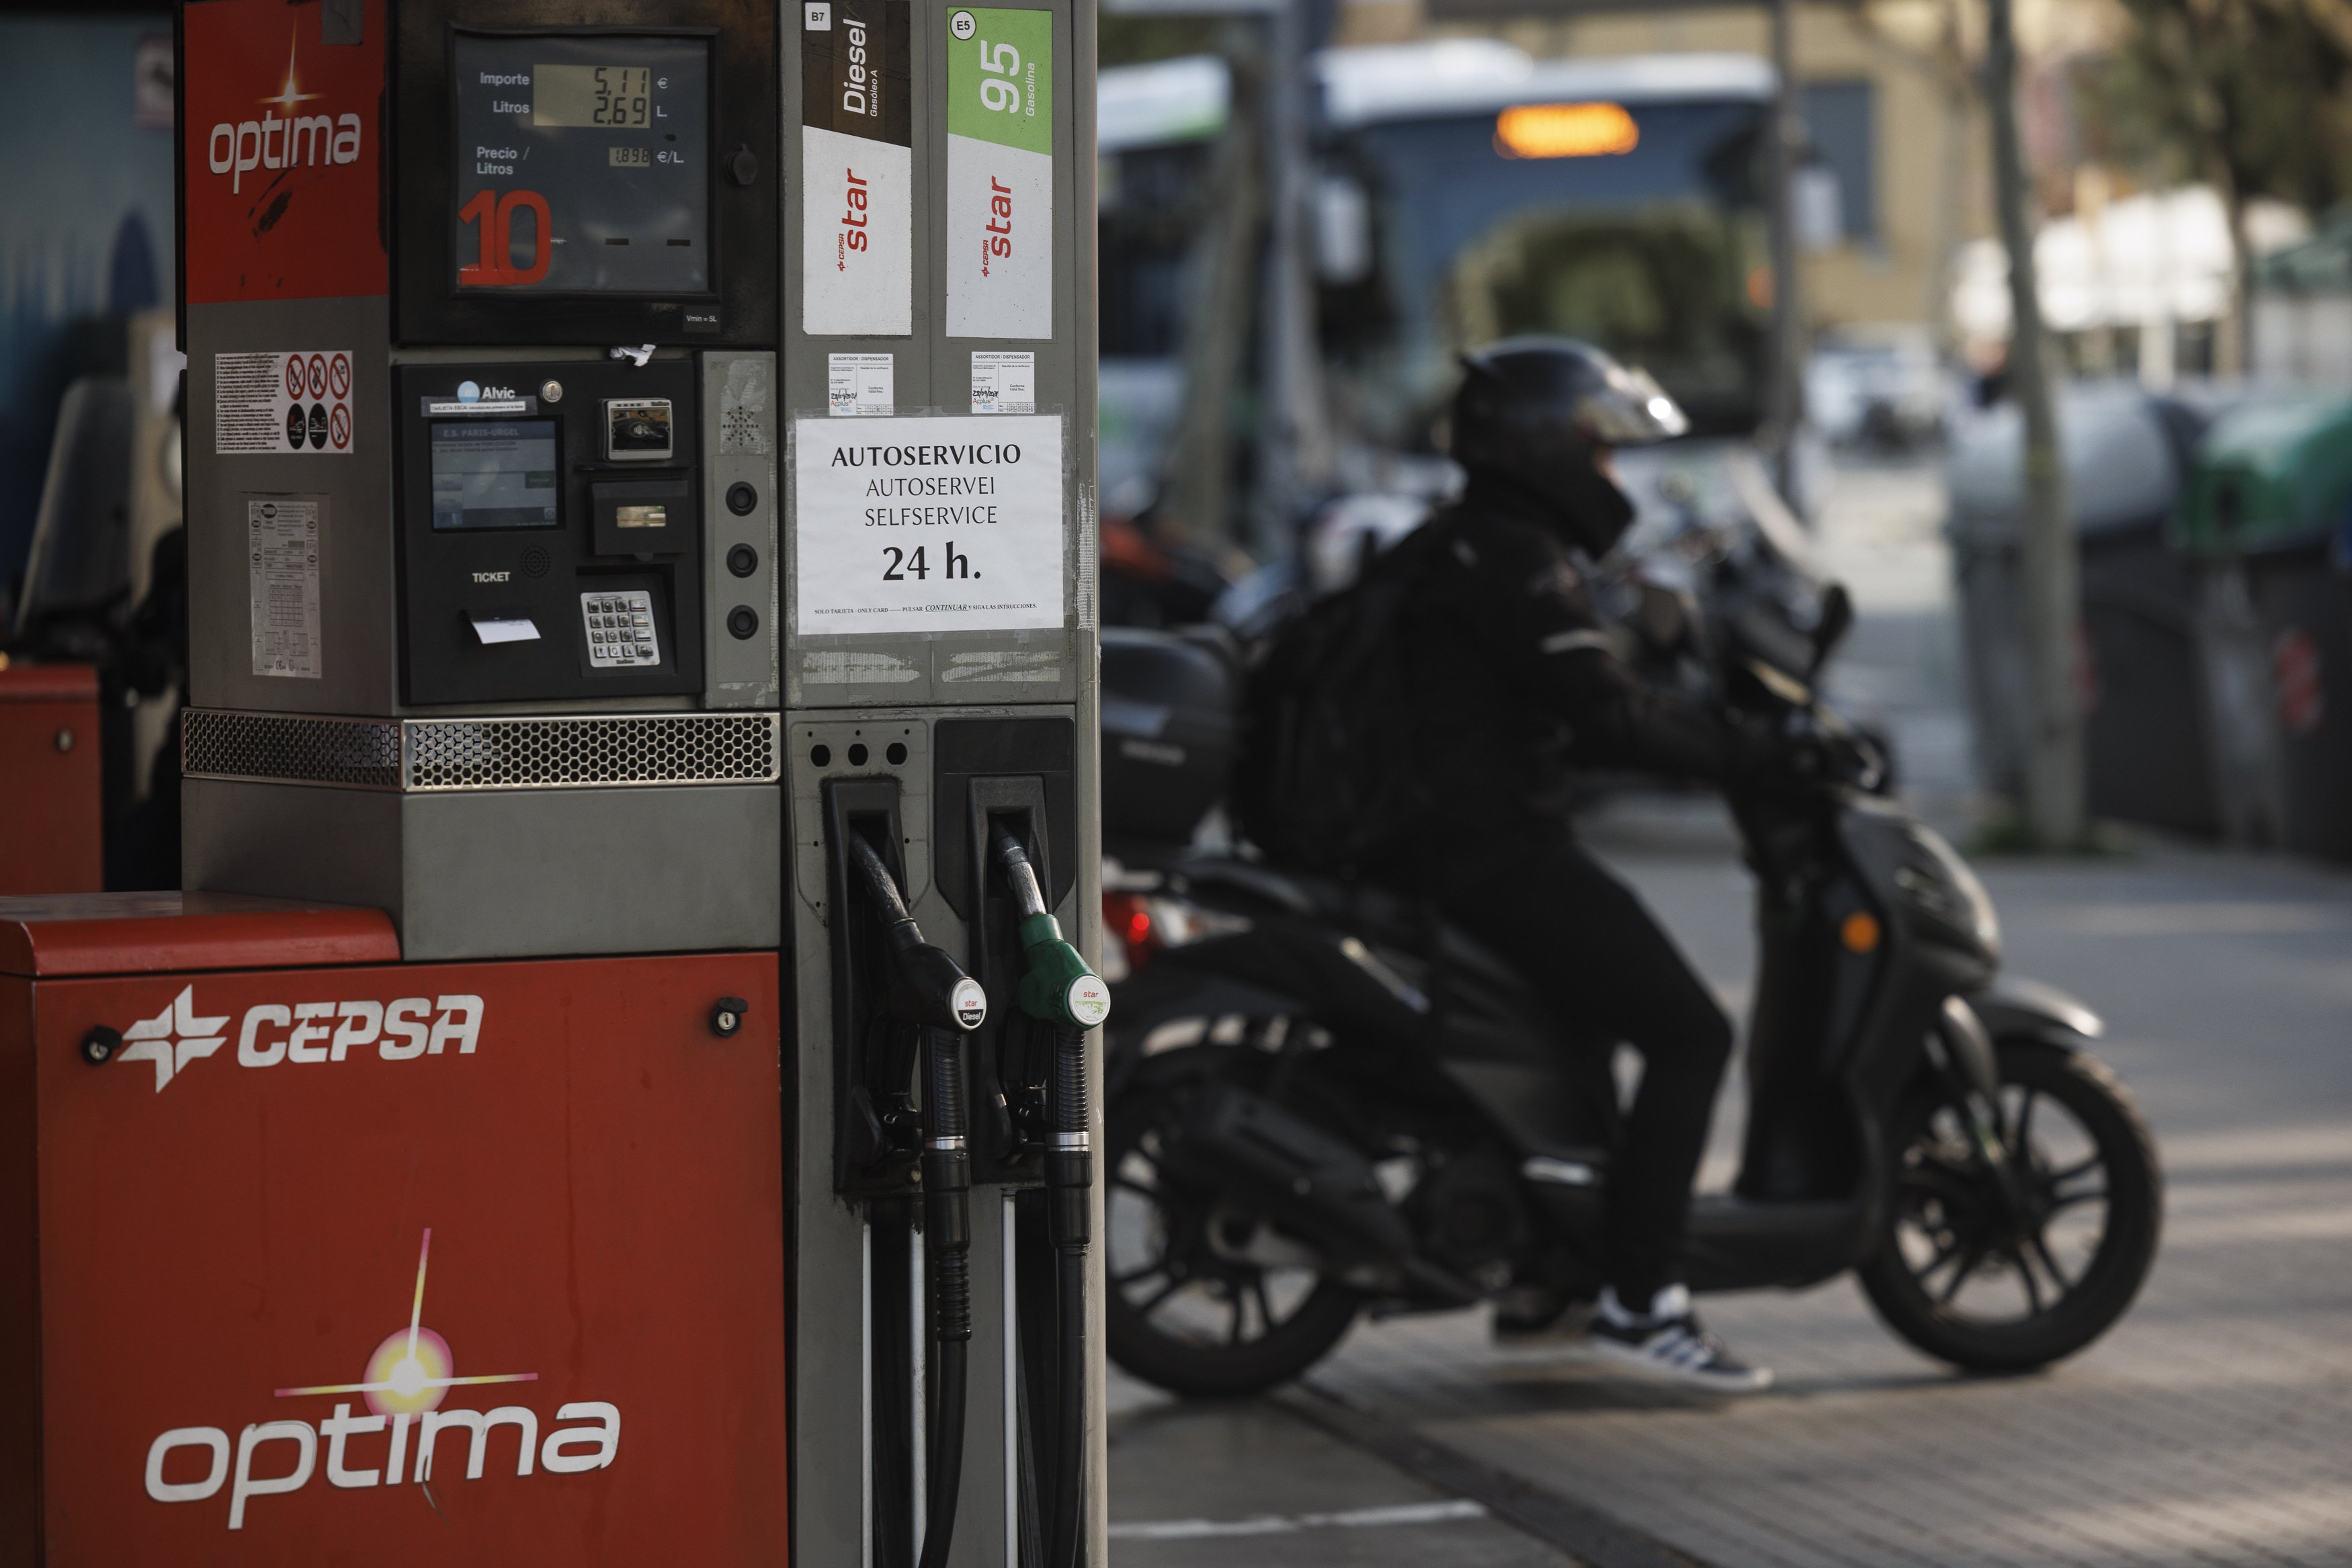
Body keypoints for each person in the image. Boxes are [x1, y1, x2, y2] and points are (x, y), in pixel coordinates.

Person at [1375, 337, 1771, 1393]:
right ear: (1544, 448)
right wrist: (1748, 751)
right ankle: (1643, 1299)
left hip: (1435, 849)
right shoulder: (1520, 562)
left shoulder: (1459, 542)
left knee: (1582, 1036)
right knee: (1691, 1033)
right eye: (1599, 452)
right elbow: (1603, 715)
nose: (1610, 475)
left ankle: (1551, 1281)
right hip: (1494, 856)